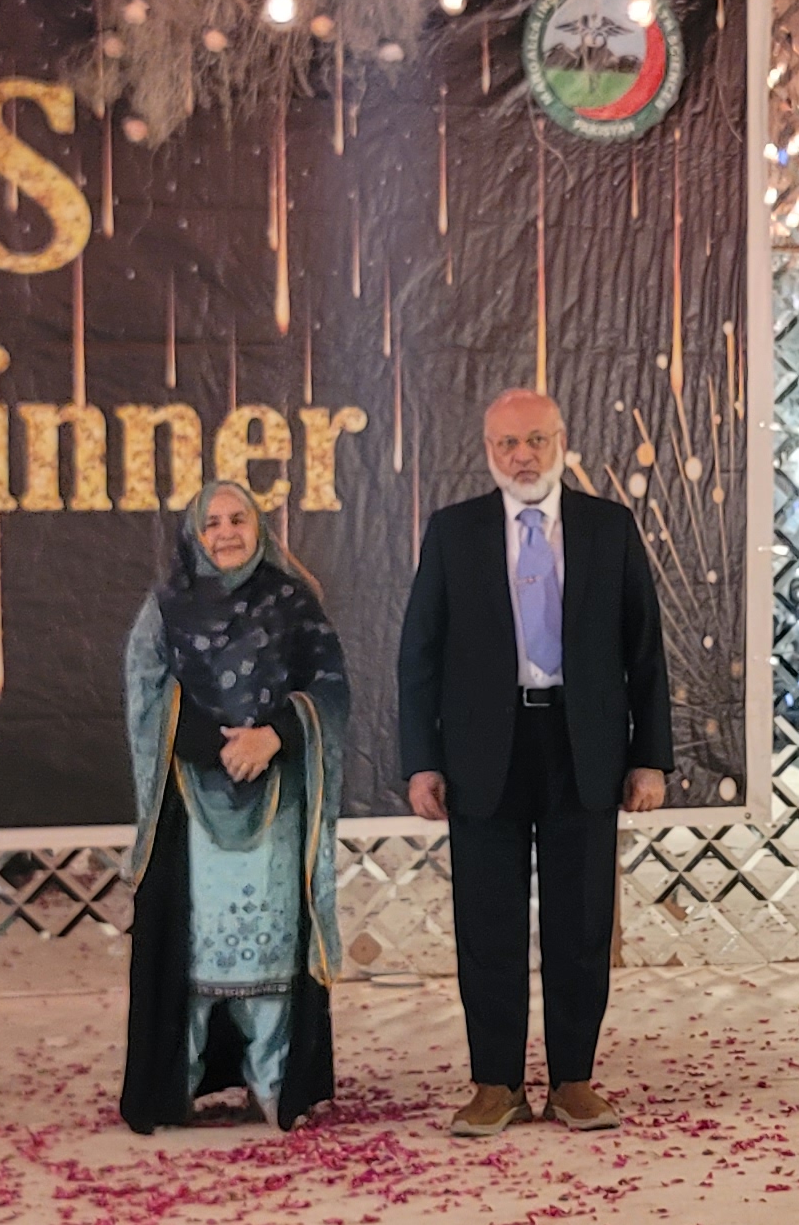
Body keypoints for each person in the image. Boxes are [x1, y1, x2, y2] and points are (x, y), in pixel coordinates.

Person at [398, 388, 672, 1138]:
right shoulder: (453, 532)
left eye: (536, 441)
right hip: (482, 752)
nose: (522, 456)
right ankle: (496, 1084)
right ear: (488, 451)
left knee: (581, 923)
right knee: (487, 923)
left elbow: (645, 652)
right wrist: (421, 761)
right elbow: (419, 656)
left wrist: (649, 758)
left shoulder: (609, 528)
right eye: (507, 444)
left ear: (561, 441)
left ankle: (574, 1081)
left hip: (583, 746)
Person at [119, 480, 347, 1132]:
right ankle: (181, 1084)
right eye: (212, 522)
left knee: (273, 952)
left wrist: (274, 736)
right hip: (193, 801)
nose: (225, 533)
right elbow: (147, 690)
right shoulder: (167, 607)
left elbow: (330, 687)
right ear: (195, 533)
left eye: (237, 519)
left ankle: (272, 1083)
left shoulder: (294, 601)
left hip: (277, 800)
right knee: (193, 953)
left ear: (259, 527)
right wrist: (214, 746)